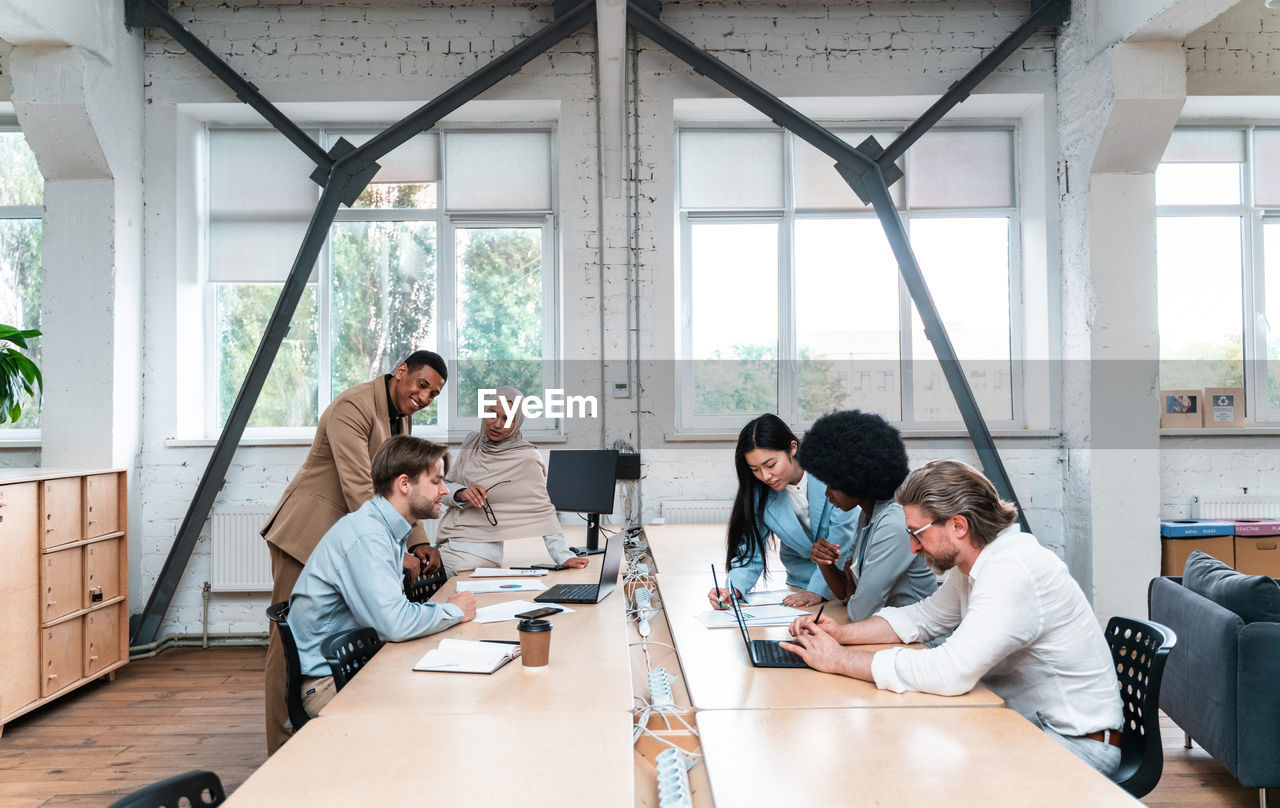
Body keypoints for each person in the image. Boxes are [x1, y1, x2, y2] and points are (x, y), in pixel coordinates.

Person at [782, 459, 1123, 776]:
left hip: (1073, 745)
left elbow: (951, 671)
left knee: (919, 767)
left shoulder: (1011, 572)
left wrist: (839, 659)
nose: (913, 547)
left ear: (958, 525)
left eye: (917, 533)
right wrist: (841, 634)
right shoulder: (979, 561)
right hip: (1021, 723)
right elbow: (923, 617)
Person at [260, 349, 448, 754]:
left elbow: (402, 483)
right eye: (421, 386)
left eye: (433, 394)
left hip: (349, 534)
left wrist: (418, 542)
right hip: (305, 531)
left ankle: (332, 721)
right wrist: (393, 551)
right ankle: (281, 747)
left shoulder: (399, 413)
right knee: (290, 644)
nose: (425, 397)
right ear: (400, 373)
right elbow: (361, 487)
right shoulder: (353, 406)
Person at [286, 435, 477, 719]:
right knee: (445, 707)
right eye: (436, 481)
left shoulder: (385, 529)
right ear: (404, 484)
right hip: (332, 685)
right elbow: (395, 624)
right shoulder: (368, 535)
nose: (445, 490)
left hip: (357, 667)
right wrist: (454, 611)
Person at [795, 410, 936, 620]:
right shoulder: (868, 516)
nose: (827, 494)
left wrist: (853, 593)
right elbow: (844, 593)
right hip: (888, 634)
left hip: (920, 643)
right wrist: (823, 562)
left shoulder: (895, 523)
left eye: (833, 484)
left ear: (858, 477)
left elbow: (859, 612)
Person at [435, 386, 590, 576]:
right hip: (450, 539)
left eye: (507, 419)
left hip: (473, 553)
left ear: (517, 422)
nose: (497, 424)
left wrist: (563, 555)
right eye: (492, 414)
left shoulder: (525, 456)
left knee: (414, 580)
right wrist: (461, 493)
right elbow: (444, 487)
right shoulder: (472, 443)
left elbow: (542, 508)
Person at [706, 413, 856, 610]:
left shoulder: (831, 472)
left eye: (770, 465)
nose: (765, 476)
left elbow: (842, 538)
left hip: (848, 578)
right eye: (755, 469)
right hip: (799, 584)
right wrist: (733, 590)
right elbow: (751, 553)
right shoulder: (759, 494)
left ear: (792, 448)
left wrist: (817, 591)